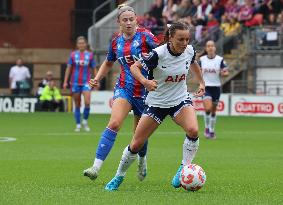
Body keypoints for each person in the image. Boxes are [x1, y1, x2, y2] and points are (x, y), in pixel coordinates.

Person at [104, 22, 205, 191]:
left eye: (187, 39)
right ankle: (118, 176)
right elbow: (134, 67)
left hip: (180, 100)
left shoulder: (189, 50)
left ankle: (183, 169)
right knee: (136, 144)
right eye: (180, 39)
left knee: (193, 130)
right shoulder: (157, 54)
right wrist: (145, 81)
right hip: (156, 103)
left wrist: (201, 82)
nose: (185, 43)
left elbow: (193, 62)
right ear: (170, 38)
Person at [83, 4, 159, 182]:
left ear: (136, 20)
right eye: (124, 20)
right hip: (124, 87)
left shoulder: (146, 36)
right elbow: (109, 62)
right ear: (118, 22)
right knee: (115, 123)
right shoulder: (116, 41)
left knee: (138, 135)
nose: (129, 23)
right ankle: (95, 167)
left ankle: (141, 160)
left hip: (145, 92)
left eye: (131, 19)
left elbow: (162, 54)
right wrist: (98, 77)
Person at [63, 36, 97, 132]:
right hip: (75, 82)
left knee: (87, 102)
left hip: (86, 82)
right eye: (79, 43)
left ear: (85, 44)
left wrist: (96, 79)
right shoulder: (73, 55)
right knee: (77, 104)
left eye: (83, 43)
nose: (81, 45)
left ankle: (85, 121)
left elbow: (94, 68)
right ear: (77, 45)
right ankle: (78, 124)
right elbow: (69, 68)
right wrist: (65, 81)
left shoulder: (90, 55)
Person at [199, 40, 229, 139]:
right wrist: (200, 81)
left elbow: (226, 72)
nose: (210, 47)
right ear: (206, 49)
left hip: (216, 87)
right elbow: (197, 71)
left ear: (215, 48)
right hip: (206, 87)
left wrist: (222, 73)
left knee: (213, 111)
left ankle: (212, 130)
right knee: (207, 108)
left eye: (212, 46)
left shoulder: (220, 60)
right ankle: (207, 128)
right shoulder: (202, 60)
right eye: (208, 46)